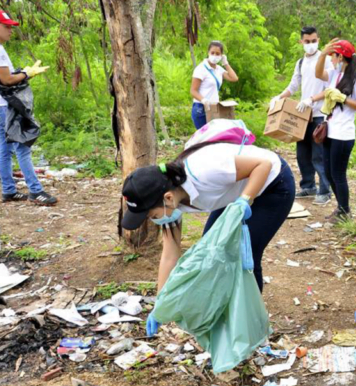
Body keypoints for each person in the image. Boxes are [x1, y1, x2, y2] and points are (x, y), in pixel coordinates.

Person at [120, 140, 295, 335]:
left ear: (168, 197)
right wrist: (160, 304)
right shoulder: (170, 202)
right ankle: (225, 317)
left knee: (243, 255)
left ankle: (250, 327)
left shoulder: (205, 171)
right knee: (212, 255)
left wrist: (244, 200)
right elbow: (170, 254)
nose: (153, 222)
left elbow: (263, 165)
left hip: (272, 183)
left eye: (152, 216)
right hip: (234, 192)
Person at [0, 10, 56, 205]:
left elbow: (0, 77)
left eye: (11, 27)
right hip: (5, 106)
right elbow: (6, 80)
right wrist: (27, 74)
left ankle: (8, 190)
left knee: (5, 149)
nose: (10, 31)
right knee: (21, 146)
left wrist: (23, 72)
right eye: (6, 27)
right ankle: (35, 191)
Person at [270, 26, 333, 205]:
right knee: (303, 153)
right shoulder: (300, 62)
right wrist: (279, 98)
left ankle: (325, 190)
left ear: (318, 40)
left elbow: (331, 88)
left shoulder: (326, 60)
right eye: (307, 41)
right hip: (303, 114)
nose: (311, 44)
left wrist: (312, 99)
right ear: (301, 42)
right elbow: (293, 85)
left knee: (319, 154)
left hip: (321, 113)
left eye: (314, 41)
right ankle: (308, 186)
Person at [314, 39, 356, 223]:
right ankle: (341, 208)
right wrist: (322, 54)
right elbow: (318, 73)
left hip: (343, 134)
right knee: (329, 173)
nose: (331, 59)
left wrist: (343, 98)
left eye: (333, 56)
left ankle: (345, 211)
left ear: (340, 57)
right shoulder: (335, 74)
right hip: (330, 131)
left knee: (338, 174)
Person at [190, 41, 239, 130]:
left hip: (214, 107)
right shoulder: (201, 69)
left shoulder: (218, 69)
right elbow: (193, 91)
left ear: (221, 55)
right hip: (201, 108)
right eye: (212, 53)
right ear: (208, 52)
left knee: (214, 137)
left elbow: (234, 78)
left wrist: (225, 63)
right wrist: (204, 100)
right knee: (205, 138)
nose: (215, 55)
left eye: (218, 54)